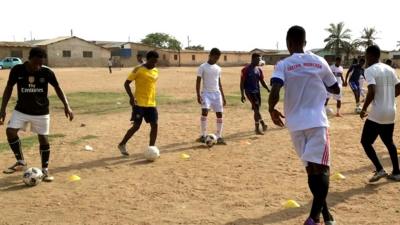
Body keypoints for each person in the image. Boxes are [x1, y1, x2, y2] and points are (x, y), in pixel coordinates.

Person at [268, 26, 339, 225]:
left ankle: (325, 216)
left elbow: (275, 89)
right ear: (305, 42)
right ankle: (314, 218)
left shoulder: (283, 64)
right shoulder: (319, 61)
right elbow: (334, 86)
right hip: (316, 122)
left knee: (311, 170)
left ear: (288, 43)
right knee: (322, 170)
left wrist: (271, 109)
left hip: (295, 125)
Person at [0, 47, 74, 181]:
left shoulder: (47, 72)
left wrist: (67, 105)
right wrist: (3, 109)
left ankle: (45, 170)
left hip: (41, 111)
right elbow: (8, 88)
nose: (38, 66)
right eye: (36, 63)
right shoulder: (17, 70)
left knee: (43, 139)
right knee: (10, 131)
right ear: (29, 59)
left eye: (41, 63)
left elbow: (57, 88)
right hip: (21, 109)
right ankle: (21, 162)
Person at [360, 45, 400, 182]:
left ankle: (380, 169)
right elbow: (399, 87)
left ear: (370, 56)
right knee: (389, 142)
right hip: (391, 111)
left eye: (366, 55)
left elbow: (371, 92)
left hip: (378, 112)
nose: (365, 58)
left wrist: (364, 109)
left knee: (365, 141)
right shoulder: (390, 69)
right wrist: (389, 96)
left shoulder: (369, 70)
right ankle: (396, 172)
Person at [118, 51, 159, 156]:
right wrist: (131, 97)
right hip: (139, 103)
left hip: (151, 103)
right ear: (148, 59)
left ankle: (151, 148)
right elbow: (126, 83)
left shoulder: (155, 71)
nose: (154, 64)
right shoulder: (138, 69)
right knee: (136, 126)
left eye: (156, 62)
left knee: (155, 125)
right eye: (153, 61)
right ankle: (122, 144)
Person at [196, 48, 227, 144]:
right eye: (215, 57)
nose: (216, 59)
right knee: (204, 111)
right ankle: (203, 135)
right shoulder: (202, 67)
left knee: (219, 114)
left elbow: (219, 83)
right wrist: (198, 94)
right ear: (210, 55)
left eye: (218, 58)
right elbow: (198, 81)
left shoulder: (218, 68)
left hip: (217, 94)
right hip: (206, 93)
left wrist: (223, 96)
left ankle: (219, 136)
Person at [240, 53, 270, 135]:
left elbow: (262, 81)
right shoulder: (245, 69)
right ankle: (259, 127)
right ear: (253, 59)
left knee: (257, 109)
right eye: (258, 59)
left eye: (260, 59)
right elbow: (242, 83)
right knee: (256, 109)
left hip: (257, 92)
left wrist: (267, 88)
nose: (259, 61)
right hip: (249, 92)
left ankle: (262, 125)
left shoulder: (259, 70)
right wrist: (242, 94)